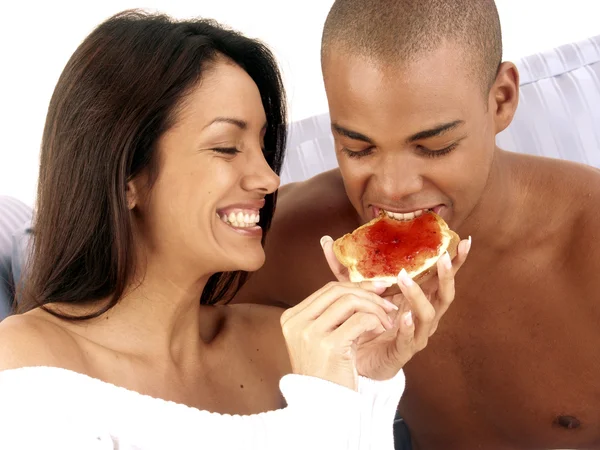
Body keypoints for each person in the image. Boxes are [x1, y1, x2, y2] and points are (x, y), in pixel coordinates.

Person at [0, 10, 462, 450]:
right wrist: (325, 409)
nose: (268, 178)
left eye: (263, 147)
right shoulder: (23, 362)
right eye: (225, 147)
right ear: (127, 179)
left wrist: (371, 378)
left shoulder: (293, 340)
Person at [232, 0, 600, 449]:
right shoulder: (298, 239)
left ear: (501, 100)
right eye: (358, 149)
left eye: (435, 147)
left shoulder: (590, 240)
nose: (393, 188)